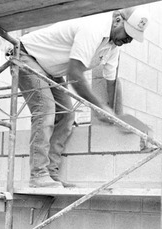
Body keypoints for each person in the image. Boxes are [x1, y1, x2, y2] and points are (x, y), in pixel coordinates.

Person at [16, 7, 149, 188]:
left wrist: (118, 117)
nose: (128, 40)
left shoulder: (112, 46)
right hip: (27, 55)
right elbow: (74, 75)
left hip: (49, 68)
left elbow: (112, 83)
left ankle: (51, 174)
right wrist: (101, 107)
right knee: (46, 110)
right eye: (128, 33)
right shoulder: (93, 28)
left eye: (133, 37)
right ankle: (38, 174)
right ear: (118, 20)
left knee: (67, 115)